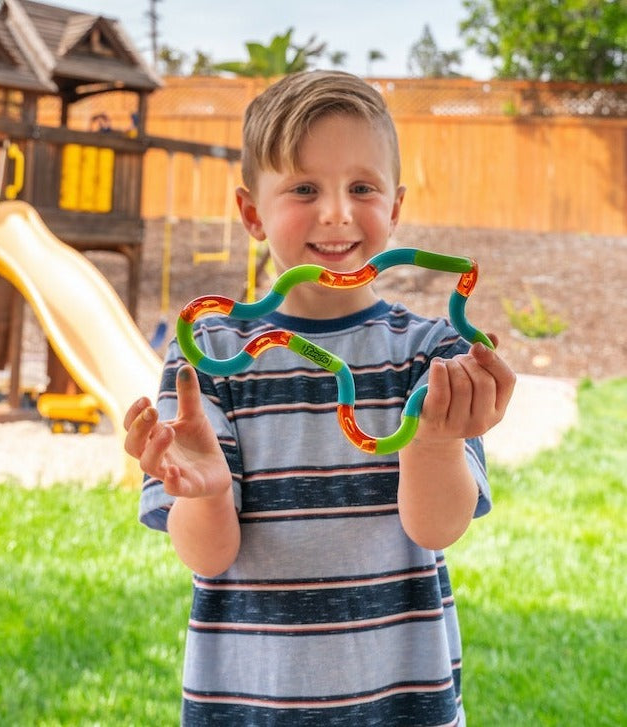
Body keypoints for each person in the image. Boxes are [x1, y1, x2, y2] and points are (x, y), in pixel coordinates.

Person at [125, 70, 515, 726]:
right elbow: (206, 554)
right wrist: (207, 490)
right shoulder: (206, 352)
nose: (335, 211)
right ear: (252, 213)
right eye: (304, 188)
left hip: (402, 702)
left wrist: (436, 438)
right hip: (251, 702)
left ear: (394, 207)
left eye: (360, 187)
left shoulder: (434, 351)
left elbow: (436, 527)